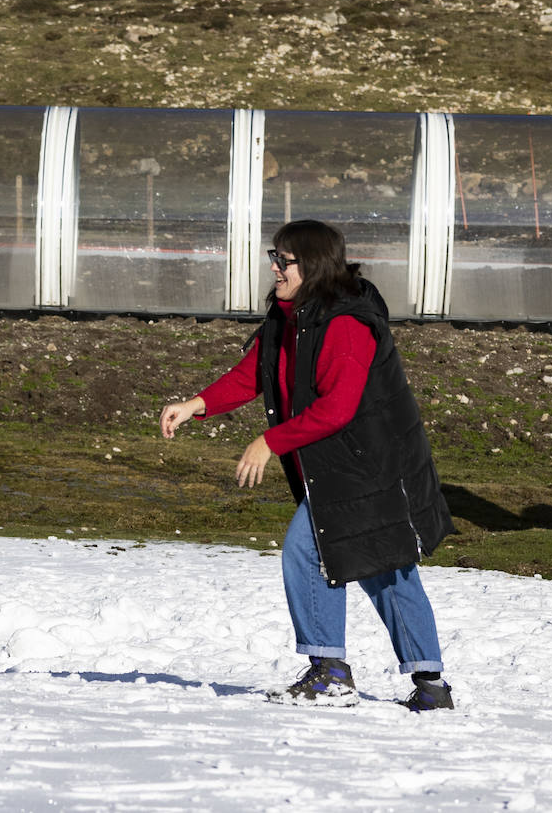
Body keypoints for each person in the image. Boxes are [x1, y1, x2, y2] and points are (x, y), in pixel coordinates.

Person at [159, 220, 456, 711]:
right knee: (383, 567)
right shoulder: (287, 316)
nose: (274, 266)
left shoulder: (345, 323)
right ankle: (430, 686)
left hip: (372, 466)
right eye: (274, 255)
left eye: (285, 259)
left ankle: (331, 672)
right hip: (342, 462)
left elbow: (338, 408)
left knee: (317, 553)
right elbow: (253, 373)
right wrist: (196, 404)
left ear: (313, 265)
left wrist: (269, 442)